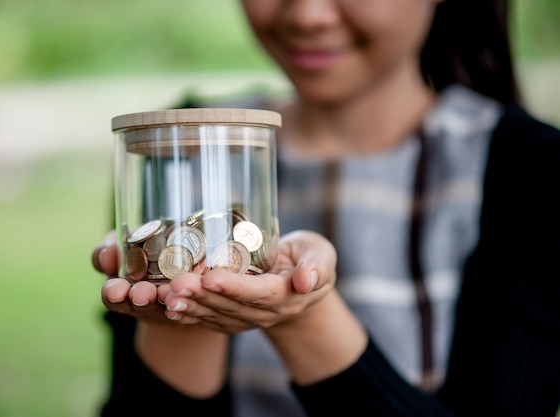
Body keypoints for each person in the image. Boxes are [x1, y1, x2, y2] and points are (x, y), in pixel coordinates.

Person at [91, 0, 560, 416]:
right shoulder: (179, 149)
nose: (308, 14)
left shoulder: (531, 170)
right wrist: (186, 309)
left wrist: (305, 319)